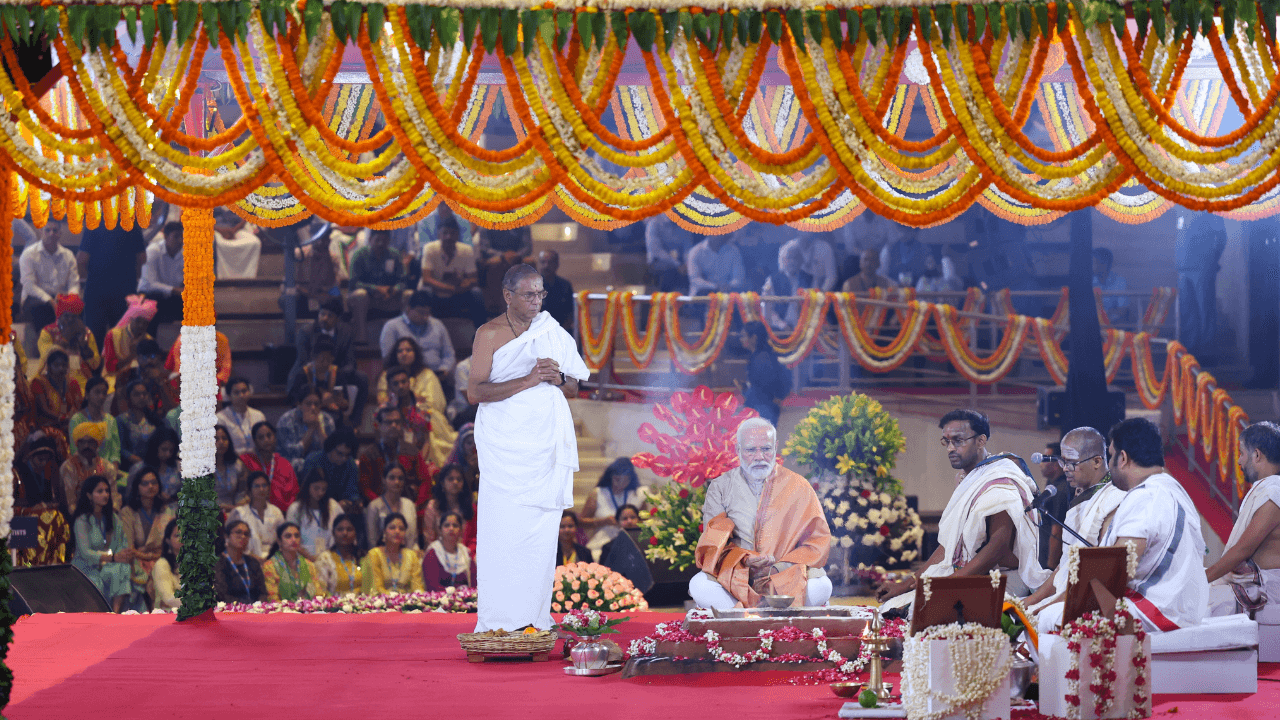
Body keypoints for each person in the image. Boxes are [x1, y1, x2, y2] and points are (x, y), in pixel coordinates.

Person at [470, 263, 590, 632]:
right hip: (505, 452)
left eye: (541, 293)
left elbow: (573, 387)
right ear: (508, 296)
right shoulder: (488, 334)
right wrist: (529, 378)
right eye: (529, 294)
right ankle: (498, 622)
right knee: (502, 536)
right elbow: (476, 392)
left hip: (543, 449)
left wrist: (560, 379)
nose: (537, 300)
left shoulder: (551, 332)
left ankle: (535, 620)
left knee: (538, 538)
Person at [1036, 419, 1210, 635]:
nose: (1109, 463)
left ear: (1124, 458)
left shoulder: (1146, 496)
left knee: (1047, 618)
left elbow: (1114, 571)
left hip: (1156, 612)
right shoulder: (1174, 490)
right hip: (1182, 608)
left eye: (1111, 455)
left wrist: (1052, 606)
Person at [878, 410, 1050, 609]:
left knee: (912, 612)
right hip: (966, 576)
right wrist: (908, 583)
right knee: (890, 607)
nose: (951, 448)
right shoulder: (965, 479)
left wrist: (946, 585)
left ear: (981, 440)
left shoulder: (999, 479)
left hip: (1001, 581)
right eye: (946, 441)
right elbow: (948, 546)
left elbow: (998, 547)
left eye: (958, 440)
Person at [689, 418, 833, 609]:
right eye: (751, 450)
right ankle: (747, 620)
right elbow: (713, 544)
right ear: (738, 450)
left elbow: (816, 542)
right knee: (699, 585)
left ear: (775, 447)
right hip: (737, 574)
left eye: (766, 449)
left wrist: (779, 566)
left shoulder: (799, 486)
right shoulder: (720, 487)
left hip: (786, 575)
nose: (759, 457)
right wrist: (745, 560)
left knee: (822, 585)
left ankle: (756, 619)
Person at [1025, 428, 1126, 613]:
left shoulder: (1114, 500)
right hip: (1065, 595)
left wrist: (1042, 609)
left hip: (1089, 602)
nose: (1064, 468)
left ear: (1097, 461)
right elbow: (1064, 567)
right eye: (1063, 461)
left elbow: (1095, 574)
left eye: (1071, 463)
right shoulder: (1081, 497)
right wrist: (1031, 601)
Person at [1207, 421, 1280, 616]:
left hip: (1268, 590)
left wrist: (1201, 579)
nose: (1239, 461)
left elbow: (1242, 550)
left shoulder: (1273, 492)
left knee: (1196, 603)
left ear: (1256, 455)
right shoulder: (1270, 489)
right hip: (1255, 583)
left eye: (1241, 454)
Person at [376, 337, 457, 467]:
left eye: (408, 350)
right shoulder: (387, 374)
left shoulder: (427, 374)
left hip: (422, 414)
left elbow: (435, 402)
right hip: (394, 411)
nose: (404, 353)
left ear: (415, 353)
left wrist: (414, 402)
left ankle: (423, 462)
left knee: (424, 414)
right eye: (400, 351)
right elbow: (382, 399)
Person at [70, 475, 139, 612]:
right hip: (85, 568)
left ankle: (115, 613)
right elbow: (85, 553)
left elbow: (122, 543)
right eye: (100, 491)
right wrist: (113, 557)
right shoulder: (81, 520)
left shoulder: (113, 518)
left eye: (107, 491)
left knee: (123, 569)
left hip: (108, 565)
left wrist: (124, 554)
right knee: (96, 582)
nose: (105, 495)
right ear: (89, 495)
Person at [77, 222, 147, 344]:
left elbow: (82, 258)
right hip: (125, 289)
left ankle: (95, 363)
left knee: (93, 338)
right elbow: (142, 258)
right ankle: (119, 363)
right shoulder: (132, 225)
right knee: (121, 339)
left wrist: (92, 274)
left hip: (96, 288)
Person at [1175, 211, 1228, 361]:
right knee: (1187, 309)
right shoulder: (1180, 208)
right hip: (1183, 267)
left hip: (1203, 267)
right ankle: (1190, 349)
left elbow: (1221, 237)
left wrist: (1212, 260)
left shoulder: (1210, 210)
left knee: (1205, 308)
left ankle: (1207, 351)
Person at [358, 406, 435, 504]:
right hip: (380, 507)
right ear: (378, 426)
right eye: (388, 422)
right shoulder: (369, 455)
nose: (394, 425)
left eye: (397, 422)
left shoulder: (411, 451)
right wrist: (382, 504)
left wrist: (416, 505)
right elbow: (365, 488)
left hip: (409, 505)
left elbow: (425, 481)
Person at [119, 466, 175, 602]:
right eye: (145, 483)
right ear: (137, 487)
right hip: (136, 561)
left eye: (154, 482)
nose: (150, 486)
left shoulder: (167, 511)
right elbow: (128, 548)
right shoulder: (128, 512)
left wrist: (154, 557)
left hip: (162, 559)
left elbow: (172, 545)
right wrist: (147, 556)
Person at [349, 229, 414, 343]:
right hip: (367, 298)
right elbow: (353, 283)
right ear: (370, 240)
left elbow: (403, 281)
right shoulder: (360, 255)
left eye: (384, 240)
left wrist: (394, 290)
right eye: (377, 240)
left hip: (390, 296)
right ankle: (362, 339)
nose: (380, 243)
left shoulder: (394, 255)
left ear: (388, 241)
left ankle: (405, 337)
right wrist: (374, 289)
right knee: (360, 295)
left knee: (409, 294)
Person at [419, 215, 486, 326]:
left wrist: (465, 284)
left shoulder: (466, 250)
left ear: (457, 235)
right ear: (439, 235)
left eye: (452, 233)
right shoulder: (429, 248)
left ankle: (480, 333)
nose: (448, 237)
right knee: (425, 292)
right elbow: (426, 279)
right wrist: (450, 287)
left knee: (476, 293)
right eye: (445, 233)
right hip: (436, 293)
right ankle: (425, 331)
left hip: (458, 292)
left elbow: (474, 279)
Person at [20, 218, 79, 334]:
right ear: (41, 232)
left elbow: (74, 284)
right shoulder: (29, 254)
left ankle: (70, 347)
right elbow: (29, 286)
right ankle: (45, 346)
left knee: (80, 307)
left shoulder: (69, 255)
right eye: (47, 230)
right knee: (43, 309)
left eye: (55, 230)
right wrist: (50, 300)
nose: (51, 233)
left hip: (60, 298)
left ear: (60, 234)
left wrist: (72, 299)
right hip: (35, 298)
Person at [580, 457, 647, 558]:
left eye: (625, 480)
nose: (621, 484)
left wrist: (631, 522)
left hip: (633, 545)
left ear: (630, 479)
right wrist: (603, 521)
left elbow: (646, 522)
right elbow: (581, 522)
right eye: (617, 479)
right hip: (602, 544)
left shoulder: (639, 494)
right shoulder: (598, 493)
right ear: (610, 476)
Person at [379, 291, 457, 377]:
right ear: (408, 309)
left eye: (427, 313)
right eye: (421, 312)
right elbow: (388, 359)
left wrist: (444, 369)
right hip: (406, 377)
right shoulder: (392, 326)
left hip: (437, 375)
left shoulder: (437, 324)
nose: (425, 317)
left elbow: (449, 354)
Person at [36, 293, 101, 389]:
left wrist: (84, 346)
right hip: (52, 383)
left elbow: (95, 365)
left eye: (74, 317)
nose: (70, 320)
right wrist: (66, 338)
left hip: (81, 385)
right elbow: (47, 357)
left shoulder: (86, 333)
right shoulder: (48, 332)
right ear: (59, 316)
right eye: (66, 316)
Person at [59, 421, 118, 515]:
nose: (86, 446)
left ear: (97, 444)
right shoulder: (69, 467)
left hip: (104, 516)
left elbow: (114, 497)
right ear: (77, 444)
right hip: (79, 517)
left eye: (90, 442)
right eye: (82, 442)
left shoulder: (107, 467)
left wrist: (110, 516)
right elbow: (70, 503)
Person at [740, 322, 792, 426]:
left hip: (763, 410)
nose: (741, 339)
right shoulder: (761, 356)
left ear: (753, 338)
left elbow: (767, 386)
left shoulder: (762, 360)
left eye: (744, 336)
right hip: (762, 409)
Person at [137, 221, 184, 335]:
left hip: (170, 298)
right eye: (176, 236)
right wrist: (175, 290)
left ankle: (197, 348)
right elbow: (149, 284)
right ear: (166, 236)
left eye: (182, 236)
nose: (180, 241)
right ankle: (149, 348)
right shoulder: (153, 250)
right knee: (152, 306)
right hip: (149, 296)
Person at [286, 468, 343, 561]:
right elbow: (290, 540)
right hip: (302, 559)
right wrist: (309, 558)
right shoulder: (295, 509)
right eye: (316, 488)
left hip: (329, 559)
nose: (320, 493)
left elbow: (341, 534)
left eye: (323, 489)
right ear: (308, 486)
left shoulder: (333, 506)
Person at [241, 421, 299, 513]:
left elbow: (294, 494)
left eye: (269, 436)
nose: (266, 440)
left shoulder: (285, 464)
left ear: (275, 437)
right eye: (261, 437)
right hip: (254, 512)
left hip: (283, 514)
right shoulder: (247, 461)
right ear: (255, 442)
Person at [362, 513, 426, 594]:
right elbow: (375, 588)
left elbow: (417, 587)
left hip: (407, 603)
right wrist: (395, 599)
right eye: (392, 528)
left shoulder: (411, 555)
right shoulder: (374, 554)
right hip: (381, 603)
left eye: (401, 529)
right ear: (384, 532)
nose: (397, 531)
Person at [300, 431, 361, 513]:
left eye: (347, 455)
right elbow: (306, 491)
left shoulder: (350, 464)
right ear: (330, 448)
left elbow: (352, 493)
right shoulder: (313, 460)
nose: (343, 458)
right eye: (340, 453)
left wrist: (346, 502)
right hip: (314, 506)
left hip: (340, 509)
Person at [102, 295, 156, 387]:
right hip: (113, 379)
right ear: (131, 319)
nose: (141, 326)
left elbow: (152, 364)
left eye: (145, 323)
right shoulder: (113, 335)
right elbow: (110, 368)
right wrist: (132, 355)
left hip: (140, 380)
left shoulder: (149, 340)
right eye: (138, 321)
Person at [263, 522, 325, 601]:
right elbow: (272, 599)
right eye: (288, 536)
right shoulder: (270, 566)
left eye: (297, 536)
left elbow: (318, 594)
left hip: (309, 610)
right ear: (279, 541)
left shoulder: (309, 565)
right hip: (281, 611)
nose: (293, 540)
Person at [230, 472, 285, 560]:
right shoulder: (239, 513)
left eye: (264, 485)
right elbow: (231, 544)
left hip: (274, 561)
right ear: (249, 490)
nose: (261, 489)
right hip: (247, 560)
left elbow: (283, 540)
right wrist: (256, 560)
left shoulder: (276, 512)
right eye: (256, 486)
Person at [422, 463, 477, 551]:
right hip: (439, 554)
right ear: (443, 483)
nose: (455, 482)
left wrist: (466, 553)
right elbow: (429, 538)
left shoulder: (470, 507)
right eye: (450, 479)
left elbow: (475, 537)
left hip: (466, 554)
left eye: (459, 479)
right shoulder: (433, 506)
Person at [275, 389, 333, 472]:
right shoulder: (286, 420)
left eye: (316, 404)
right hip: (294, 464)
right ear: (300, 404)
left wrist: (319, 427)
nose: (313, 408)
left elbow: (331, 451)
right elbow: (290, 453)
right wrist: (311, 428)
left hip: (321, 465)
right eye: (308, 404)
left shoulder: (327, 419)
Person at [69, 377, 120, 470]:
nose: (101, 396)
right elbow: (75, 451)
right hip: (84, 470)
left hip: (108, 471)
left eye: (104, 393)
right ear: (87, 395)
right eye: (97, 392)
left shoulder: (110, 420)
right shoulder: (77, 419)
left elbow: (115, 453)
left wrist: (113, 470)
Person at [365, 464, 419, 552]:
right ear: (384, 480)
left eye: (400, 478)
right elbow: (372, 542)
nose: (396, 482)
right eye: (392, 478)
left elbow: (413, 539)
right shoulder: (374, 506)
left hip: (408, 554)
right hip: (382, 556)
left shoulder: (409, 505)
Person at [1037, 440, 1072, 571]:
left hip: (1049, 564)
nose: (1041, 464)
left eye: (1045, 459)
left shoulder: (1060, 491)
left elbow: (1057, 531)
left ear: (1058, 463)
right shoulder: (1051, 486)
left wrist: (1050, 568)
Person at [215, 519, 267, 604]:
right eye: (238, 532)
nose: (243, 536)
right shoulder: (218, 563)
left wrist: (258, 607)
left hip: (257, 612)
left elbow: (263, 593)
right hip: (230, 612)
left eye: (246, 534)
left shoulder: (253, 562)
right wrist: (246, 608)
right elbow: (222, 595)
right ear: (226, 536)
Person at [761, 243, 811, 332]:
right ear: (783, 260)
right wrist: (782, 325)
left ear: (801, 260)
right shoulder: (773, 279)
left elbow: (813, 306)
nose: (792, 261)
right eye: (789, 258)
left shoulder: (808, 279)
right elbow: (767, 309)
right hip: (779, 329)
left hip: (805, 328)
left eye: (795, 258)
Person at [423, 512, 476, 591]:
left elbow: (474, 585)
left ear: (461, 530)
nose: (451, 528)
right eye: (447, 525)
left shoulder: (465, 553)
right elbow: (432, 587)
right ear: (440, 530)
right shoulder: (433, 554)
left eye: (455, 525)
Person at [31, 349, 81, 428]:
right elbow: (44, 410)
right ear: (49, 366)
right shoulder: (39, 382)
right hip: (47, 426)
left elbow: (78, 406)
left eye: (64, 365)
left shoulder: (72, 383)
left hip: (68, 424)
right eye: (56, 365)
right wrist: (62, 419)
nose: (61, 368)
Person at [216, 377, 266, 456]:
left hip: (257, 460)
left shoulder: (259, 416)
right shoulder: (220, 418)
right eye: (236, 392)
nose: (241, 395)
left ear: (249, 392)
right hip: (232, 462)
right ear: (229, 395)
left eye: (244, 391)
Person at [116, 380, 158, 471]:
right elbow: (120, 448)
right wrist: (140, 462)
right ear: (129, 397)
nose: (141, 397)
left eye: (144, 394)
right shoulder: (122, 420)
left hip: (154, 466)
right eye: (136, 394)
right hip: (131, 468)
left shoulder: (154, 419)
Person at [644, 214, 692, 293]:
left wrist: (687, 265)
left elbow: (687, 249)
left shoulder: (684, 224)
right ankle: (664, 301)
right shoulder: (654, 223)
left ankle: (684, 302)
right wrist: (677, 265)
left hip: (680, 264)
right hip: (658, 263)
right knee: (668, 271)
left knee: (691, 274)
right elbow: (657, 251)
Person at [320, 513, 365, 595]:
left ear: (355, 533)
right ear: (333, 533)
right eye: (340, 529)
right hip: (335, 606)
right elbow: (321, 591)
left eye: (349, 529)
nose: (345, 533)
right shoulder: (325, 559)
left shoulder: (362, 556)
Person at [212, 207, 262, 279]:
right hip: (215, 229)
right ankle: (221, 277)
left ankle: (248, 277)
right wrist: (222, 231)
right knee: (217, 243)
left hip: (236, 229)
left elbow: (246, 215)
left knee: (254, 242)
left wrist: (233, 230)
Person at [537, 250, 575, 334]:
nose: (546, 266)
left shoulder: (565, 285)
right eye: (543, 262)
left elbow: (571, 314)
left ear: (557, 264)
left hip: (561, 332)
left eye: (550, 262)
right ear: (538, 264)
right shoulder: (531, 287)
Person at [140, 426, 181, 501]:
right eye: (164, 449)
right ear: (155, 447)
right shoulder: (140, 468)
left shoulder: (179, 466)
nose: (168, 454)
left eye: (171, 450)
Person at [213, 425, 247, 512]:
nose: (221, 442)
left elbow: (242, 492)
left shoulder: (236, 464)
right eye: (216, 439)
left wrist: (237, 506)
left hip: (234, 509)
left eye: (224, 438)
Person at [1092, 247, 1130, 324]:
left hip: (1114, 324)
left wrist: (1103, 315)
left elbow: (1122, 310)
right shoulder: (1089, 281)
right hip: (1092, 323)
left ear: (1104, 264)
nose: (1091, 265)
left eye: (1094, 262)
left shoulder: (1119, 281)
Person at [151, 518, 182, 610]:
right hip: (168, 616)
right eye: (177, 535)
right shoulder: (162, 564)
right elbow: (168, 599)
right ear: (168, 540)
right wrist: (195, 603)